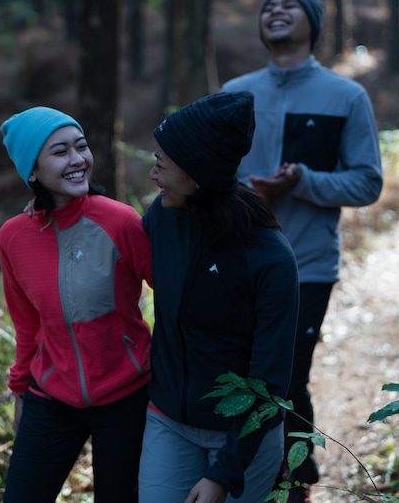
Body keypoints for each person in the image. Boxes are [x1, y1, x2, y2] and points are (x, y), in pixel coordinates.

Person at [221, 0, 383, 501]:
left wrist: (303, 181)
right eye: (268, 6)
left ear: (313, 24)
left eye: (290, 6)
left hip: (306, 263)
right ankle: (239, 473)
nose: (276, 10)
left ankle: (295, 480)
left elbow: (367, 182)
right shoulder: (235, 93)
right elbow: (207, 176)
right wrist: (246, 188)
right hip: (237, 260)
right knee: (239, 376)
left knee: (286, 378)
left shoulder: (345, 96)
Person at [137, 91, 300, 503]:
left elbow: (270, 379)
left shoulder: (269, 257)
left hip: (245, 439)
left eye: (162, 164)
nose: (153, 175)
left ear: (196, 176)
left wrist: (225, 471)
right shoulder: (163, 218)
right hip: (168, 420)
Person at [0, 106, 153, 503]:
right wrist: (19, 391)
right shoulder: (13, 237)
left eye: (81, 147)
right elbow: (27, 323)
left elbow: (173, 299)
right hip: (51, 398)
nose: (78, 159)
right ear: (32, 171)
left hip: (125, 395)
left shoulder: (121, 221)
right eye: (60, 151)